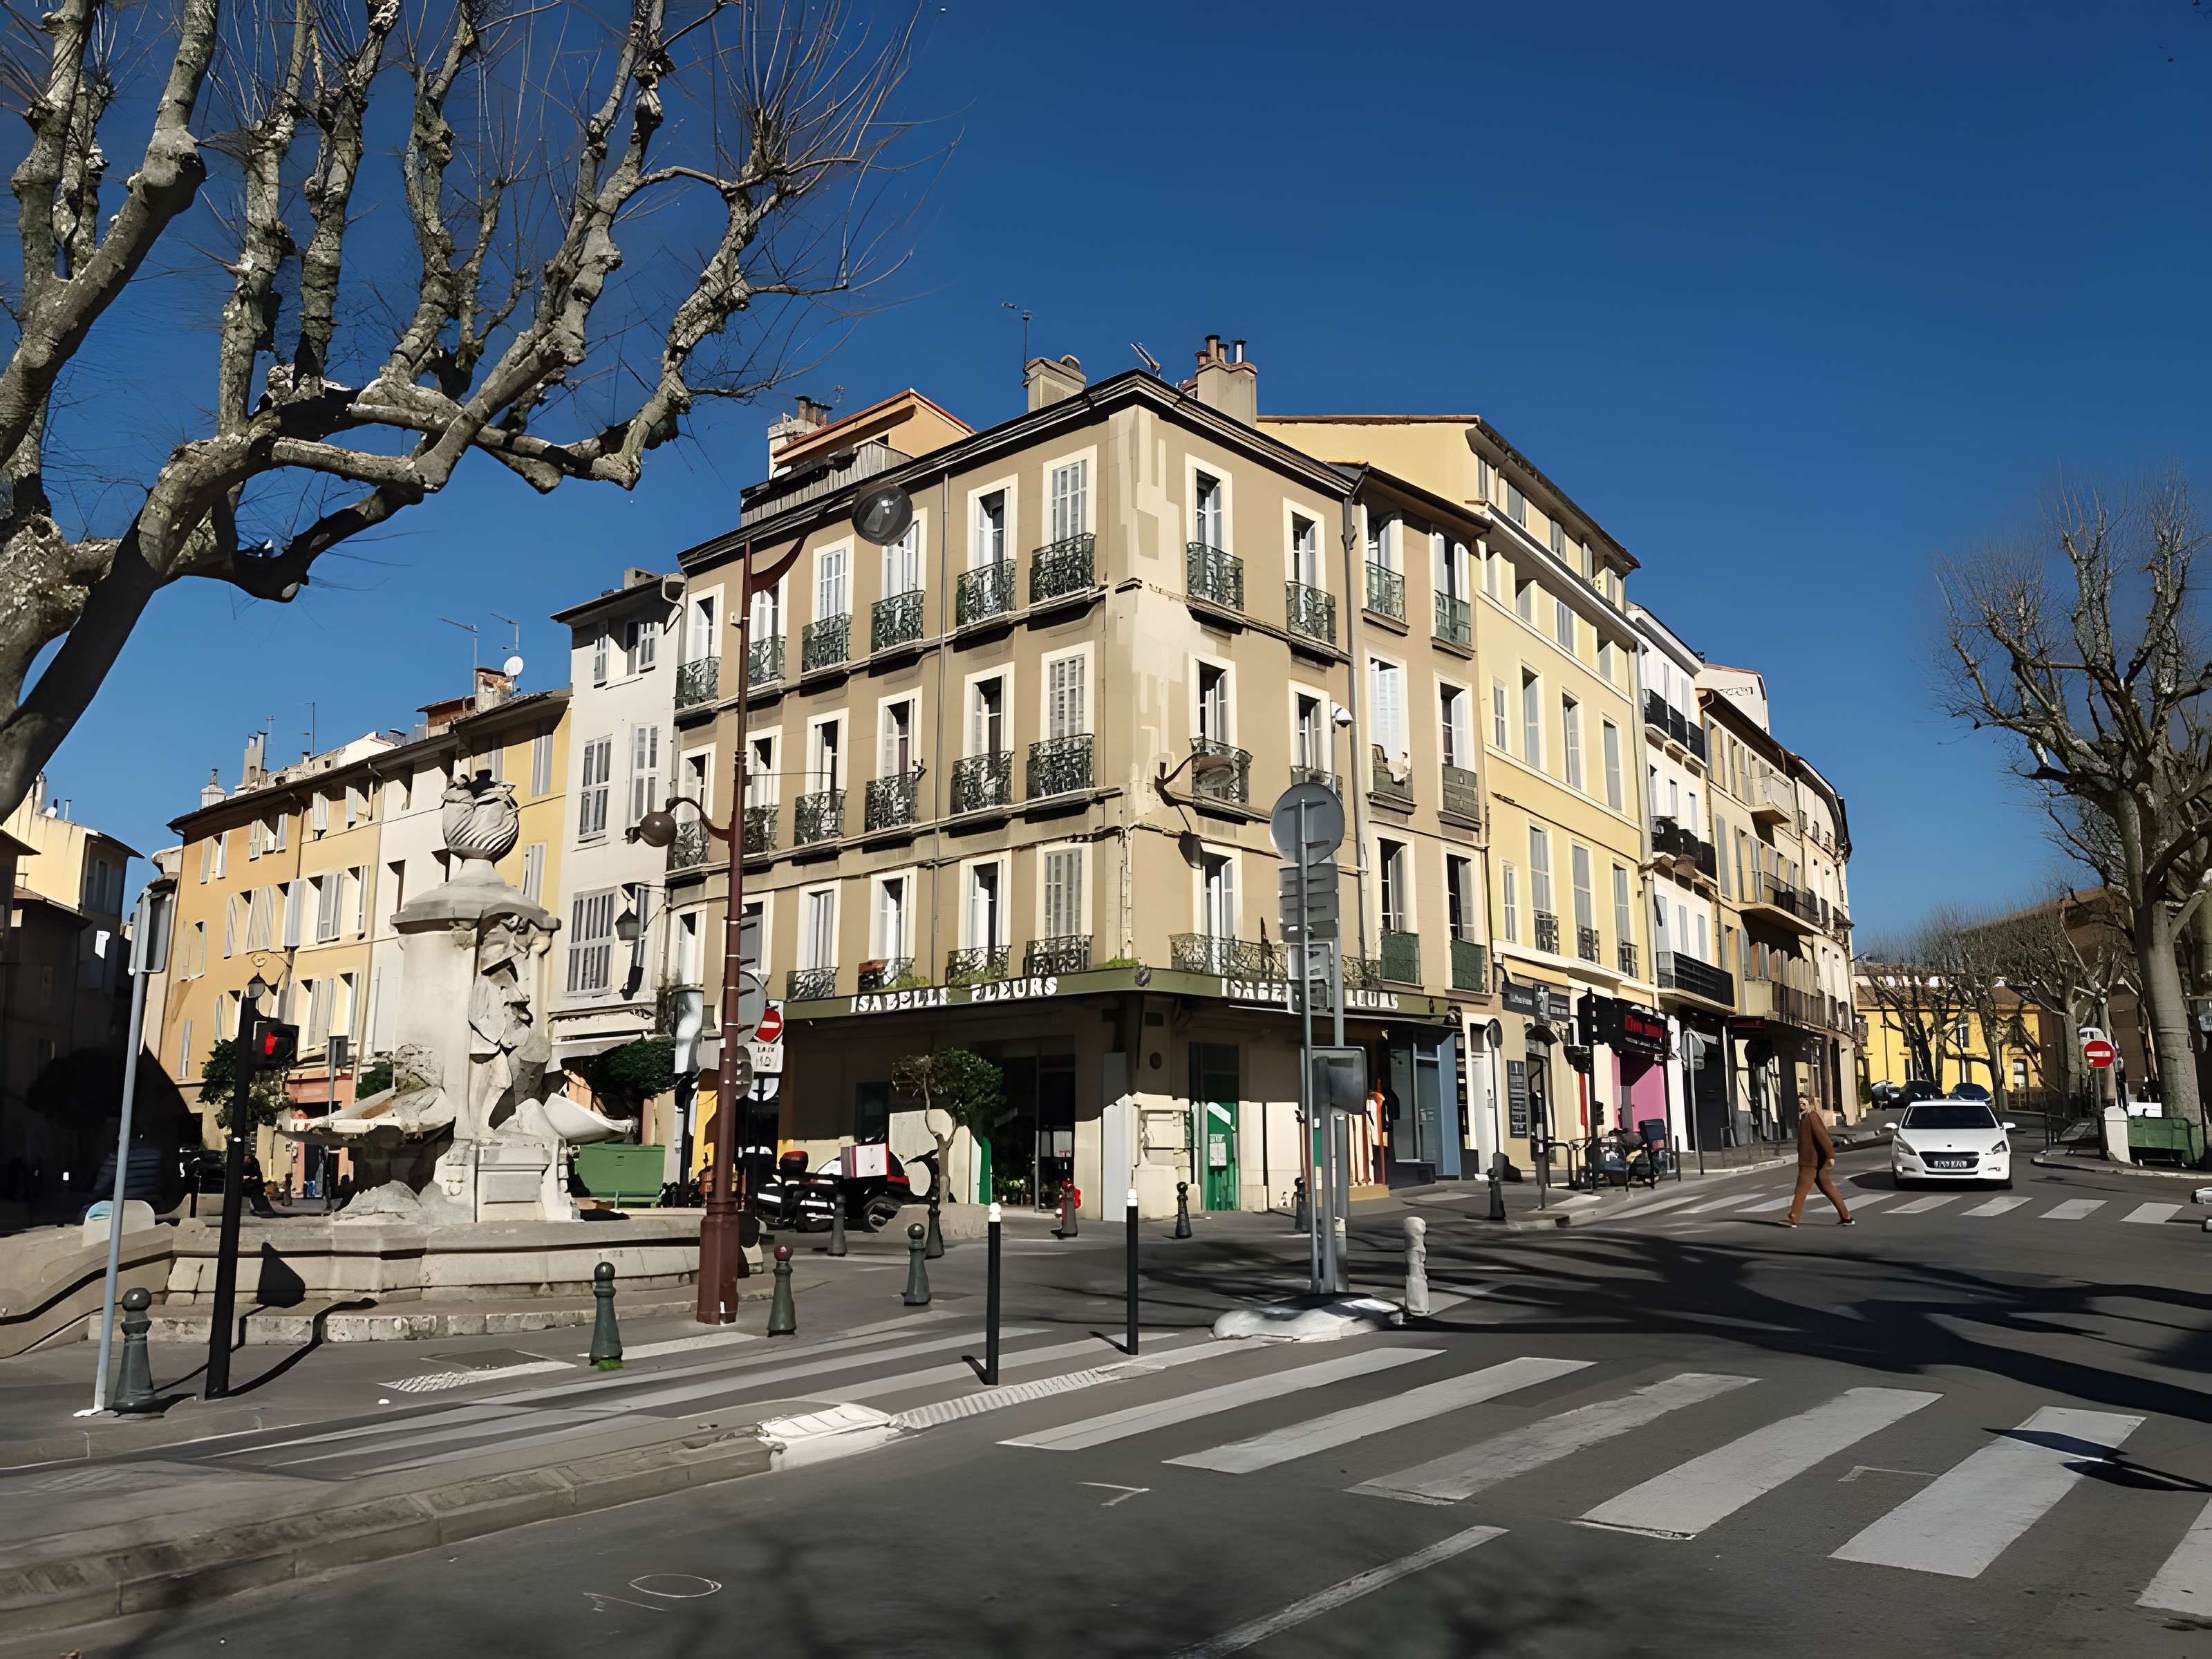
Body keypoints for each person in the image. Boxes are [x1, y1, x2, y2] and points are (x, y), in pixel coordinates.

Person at [1782, 1102, 1853, 1226]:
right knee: (1828, 1188)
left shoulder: (1811, 1116)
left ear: (1810, 1104)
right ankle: (1846, 1216)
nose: (1801, 1105)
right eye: (1799, 1103)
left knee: (1801, 1190)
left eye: (1804, 1103)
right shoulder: (1805, 1117)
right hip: (1813, 1161)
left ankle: (1793, 1218)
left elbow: (1823, 1137)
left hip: (1810, 1161)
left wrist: (1830, 1156)